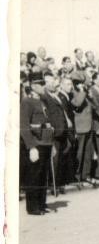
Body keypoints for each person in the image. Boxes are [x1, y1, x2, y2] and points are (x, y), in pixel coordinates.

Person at [20, 72, 55, 215]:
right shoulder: (27, 102)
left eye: (43, 84)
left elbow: (47, 122)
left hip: (46, 142)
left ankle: (41, 204)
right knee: (34, 175)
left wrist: (52, 144)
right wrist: (31, 147)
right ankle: (33, 207)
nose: (43, 86)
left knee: (43, 175)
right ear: (33, 86)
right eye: (40, 84)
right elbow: (24, 126)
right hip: (36, 143)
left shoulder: (43, 100)